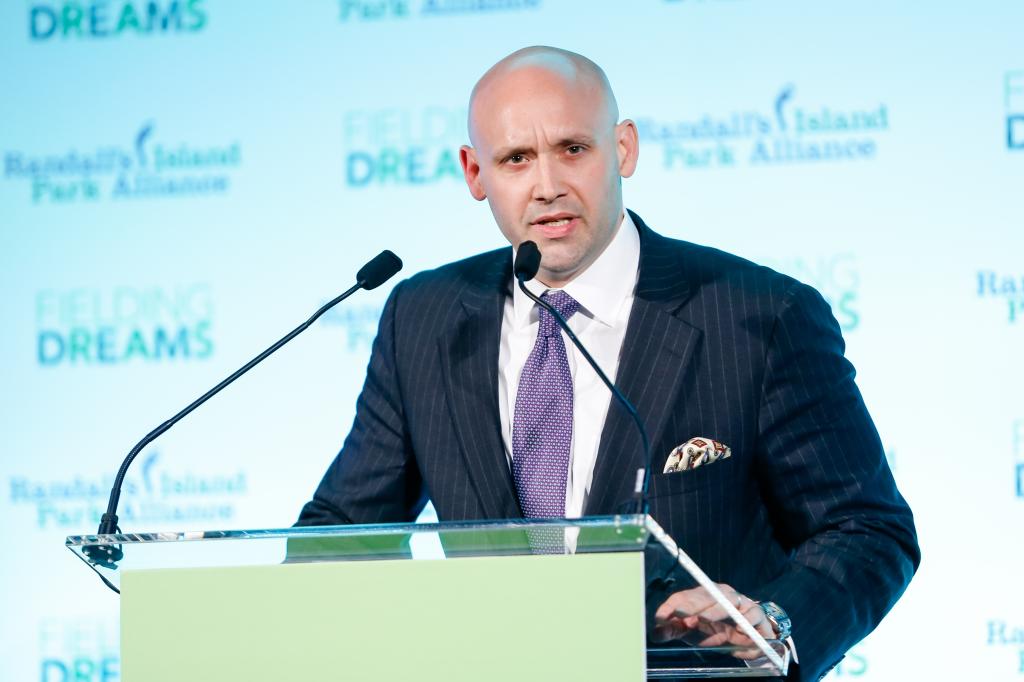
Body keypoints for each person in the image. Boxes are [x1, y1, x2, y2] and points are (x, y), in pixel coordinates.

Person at [297, 46, 920, 680]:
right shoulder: (423, 319)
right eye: (516, 159)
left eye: (573, 149)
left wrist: (776, 622)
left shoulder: (760, 315)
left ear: (622, 148)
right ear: (474, 172)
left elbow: (866, 528)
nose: (547, 186)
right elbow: (342, 535)